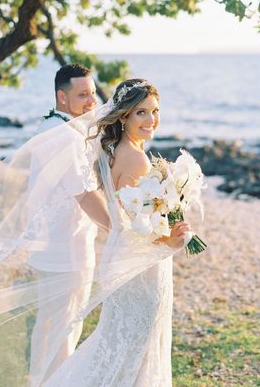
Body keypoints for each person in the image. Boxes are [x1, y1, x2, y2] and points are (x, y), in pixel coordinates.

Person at [43, 79, 192, 387]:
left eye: (155, 111)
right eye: (141, 113)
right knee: (134, 346)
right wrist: (176, 241)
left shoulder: (116, 152)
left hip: (121, 254)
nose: (151, 120)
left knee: (116, 343)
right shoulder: (136, 159)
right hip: (139, 266)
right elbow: (145, 231)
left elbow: (130, 218)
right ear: (123, 116)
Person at [29, 64, 99, 381]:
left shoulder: (49, 127)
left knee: (50, 328)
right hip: (68, 250)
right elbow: (83, 194)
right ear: (62, 96)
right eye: (83, 95)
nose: (91, 102)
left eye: (93, 93)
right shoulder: (63, 137)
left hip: (51, 246)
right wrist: (119, 229)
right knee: (64, 329)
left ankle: (41, 380)